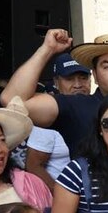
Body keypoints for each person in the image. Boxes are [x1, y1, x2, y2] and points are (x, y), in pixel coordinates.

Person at [0, 30, 108, 155]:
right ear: (94, 74)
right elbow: (12, 100)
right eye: (107, 66)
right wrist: (47, 49)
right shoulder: (74, 106)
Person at [25, 53, 91, 188]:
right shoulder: (49, 116)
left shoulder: (99, 108)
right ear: (56, 82)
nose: (78, 84)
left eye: (83, 78)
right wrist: (61, 196)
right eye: (70, 79)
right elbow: (33, 166)